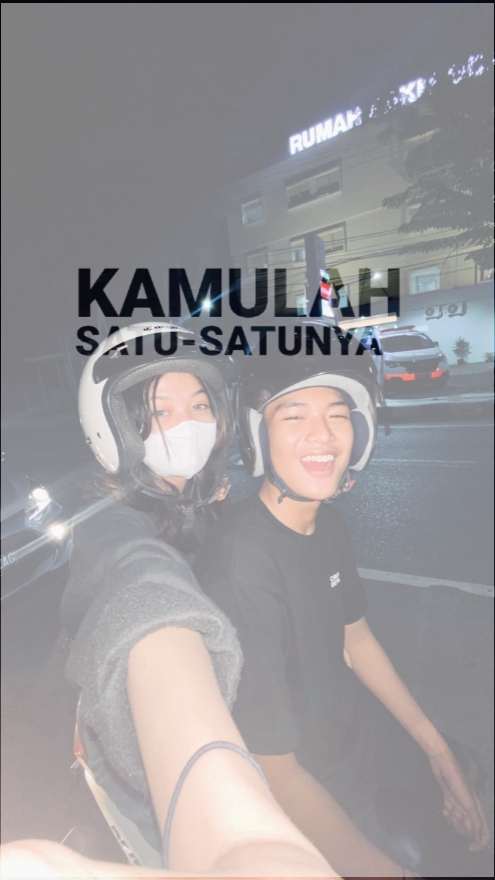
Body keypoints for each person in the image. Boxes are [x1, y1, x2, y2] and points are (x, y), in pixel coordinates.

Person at [194, 320, 491, 879]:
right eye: (295, 416)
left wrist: (438, 753)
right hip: (320, 785)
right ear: (259, 433)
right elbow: (276, 772)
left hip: (360, 740)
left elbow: (355, 638)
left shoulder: (324, 521)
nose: (323, 436)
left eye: (337, 414)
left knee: (468, 772)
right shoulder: (242, 569)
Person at [52, 322, 336, 877]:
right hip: (138, 780)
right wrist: (235, 837)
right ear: (115, 428)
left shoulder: (195, 503)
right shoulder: (110, 526)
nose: (188, 424)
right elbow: (147, 590)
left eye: (200, 405)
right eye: (160, 411)